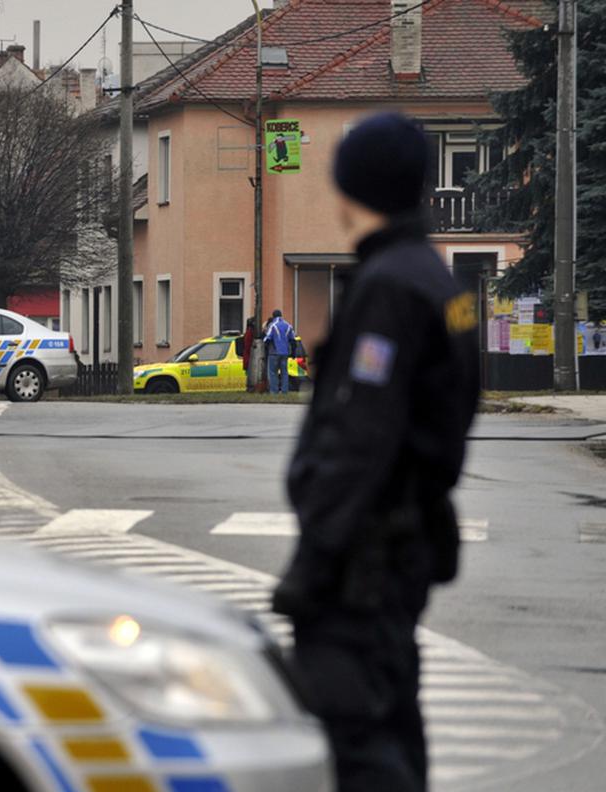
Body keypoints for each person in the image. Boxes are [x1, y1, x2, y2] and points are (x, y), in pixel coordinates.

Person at [271, 113, 480, 792]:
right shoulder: (441, 284)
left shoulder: (388, 287)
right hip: (406, 542)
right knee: (393, 720)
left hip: (364, 556)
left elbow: (360, 435)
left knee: (358, 741)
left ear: (349, 186)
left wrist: (315, 562)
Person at [264, 310, 295, 394]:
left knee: (273, 372)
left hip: (274, 353)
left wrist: (265, 348)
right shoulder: (288, 325)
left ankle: (274, 391)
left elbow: (267, 338)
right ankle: (285, 391)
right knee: (284, 372)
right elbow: (293, 340)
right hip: (285, 353)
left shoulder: (273, 325)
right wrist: (293, 353)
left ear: (273, 316)